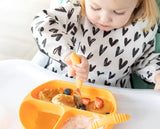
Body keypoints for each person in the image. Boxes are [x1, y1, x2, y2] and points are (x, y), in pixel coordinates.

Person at [31, 0, 160, 90]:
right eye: (95, 7)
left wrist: (157, 74)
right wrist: (67, 55)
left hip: (110, 96)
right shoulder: (75, 11)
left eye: (118, 12)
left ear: (137, 3)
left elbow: (144, 60)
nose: (104, 18)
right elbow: (42, 24)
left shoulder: (142, 27)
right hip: (62, 85)